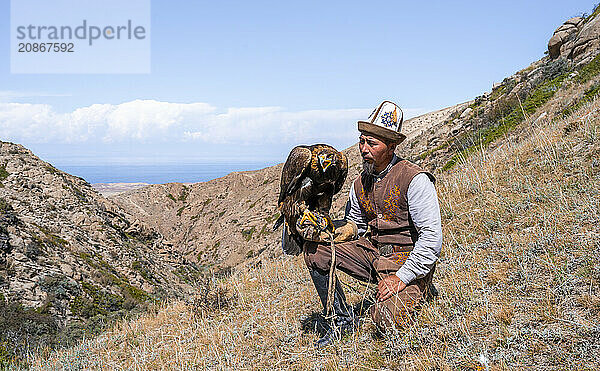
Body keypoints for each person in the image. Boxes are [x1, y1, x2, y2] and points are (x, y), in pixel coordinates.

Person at [303, 100, 443, 347]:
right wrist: (329, 232)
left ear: (391, 146)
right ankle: (341, 320)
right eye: (361, 141)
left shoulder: (415, 179)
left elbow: (431, 238)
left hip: (406, 261)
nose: (363, 149)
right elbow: (355, 224)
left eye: (371, 143)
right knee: (315, 251)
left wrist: (402, 277)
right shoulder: (360, 182)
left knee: (386, 319)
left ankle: (419, 287)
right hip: (374, 253)